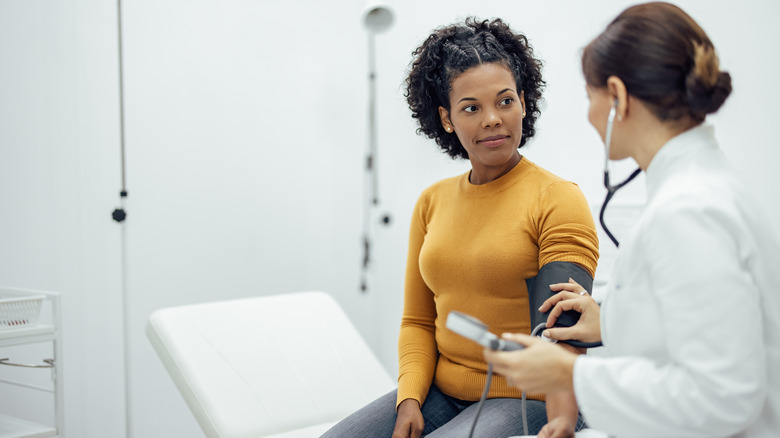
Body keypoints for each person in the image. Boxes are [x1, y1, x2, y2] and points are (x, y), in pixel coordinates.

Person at [484, 2, 780, 437]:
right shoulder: (702, 188)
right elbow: (701, 326)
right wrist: (611, 321)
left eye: (590, 98)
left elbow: (724, 395)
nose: (588, 114)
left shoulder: (688, 211)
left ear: (618, 97)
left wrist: (570, 375)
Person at [321, 17, 599, 438]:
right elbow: (417, 320)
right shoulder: (432, 202)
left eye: (505, 101)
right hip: (441, 392)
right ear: (447, 118)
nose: (492, 119)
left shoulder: (557, 199)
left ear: (524, 102)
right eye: (471, 107)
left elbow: (563, 336)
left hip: (532, 396)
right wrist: (409, 398)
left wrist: (561, 416)